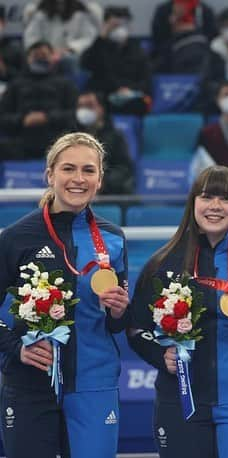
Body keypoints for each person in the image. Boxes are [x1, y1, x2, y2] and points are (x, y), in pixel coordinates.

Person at [128, 165, 228, 458]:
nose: (215, 206)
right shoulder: (162, 263)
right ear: (193, 203)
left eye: (226, 199)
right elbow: (135, 329)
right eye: (207, 197)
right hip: (180, 401)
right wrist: (160, 356)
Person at [0, 132, 130, 457]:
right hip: (30, 385)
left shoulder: (113, 239)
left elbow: (118, 325)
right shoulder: (17, 238)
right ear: (50, 174)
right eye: (68, 168)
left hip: (93, 384)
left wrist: (118, 311)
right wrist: (16, 349)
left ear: (99, 179)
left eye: (88, 170)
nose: (78, 178)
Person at [0, 41, 78, 159]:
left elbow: (75, 114)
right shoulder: (15, 85)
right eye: (36, 56)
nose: (40, 59)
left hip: (57, 142)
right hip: (21, 140)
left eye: (44, 55)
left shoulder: (65, 85)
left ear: (53, 57)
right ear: (28, 59)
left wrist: (47, 118)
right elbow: (3, 117)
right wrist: (22, 119)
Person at [80, 6, 152, 116]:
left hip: (129, 96)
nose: (119, 29)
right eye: (114, 26)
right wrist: (102, 36)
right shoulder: (99, 47)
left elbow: (146, 80)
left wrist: (130, 89)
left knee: (140, 103)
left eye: (123, 25)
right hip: (105, 96)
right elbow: (85, 64)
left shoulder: (137, 50)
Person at [75, 90, 135, 194]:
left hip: (107, 194)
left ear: (101, 109)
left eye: (89, 106)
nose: (83, 111)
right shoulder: (71, 137)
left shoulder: (115, 137)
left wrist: (102, 182)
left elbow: (124, 169)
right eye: (80, 106)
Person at [23, 0, 102, 75]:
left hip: (69, 54)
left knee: (70, 60)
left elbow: (89, 38)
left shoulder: (80, 16)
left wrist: (70, 48)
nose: (60, 5)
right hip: (43, 54)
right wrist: (45, 51)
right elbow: (31, 37)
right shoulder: (40, 16)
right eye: (57, 3)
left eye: (63, 3)